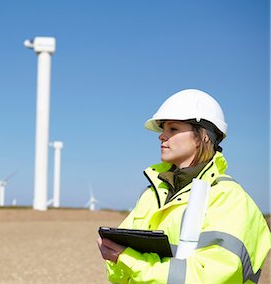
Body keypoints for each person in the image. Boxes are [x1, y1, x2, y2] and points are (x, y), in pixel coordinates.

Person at [97, 89, 270, 283]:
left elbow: (210, 276)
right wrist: (113, 253)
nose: (161, 136)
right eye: (163, 129)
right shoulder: (153, 194)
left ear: (203, 136)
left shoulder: (228, 197)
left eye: (173, 129)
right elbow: (119, 273)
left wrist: (127, 259)